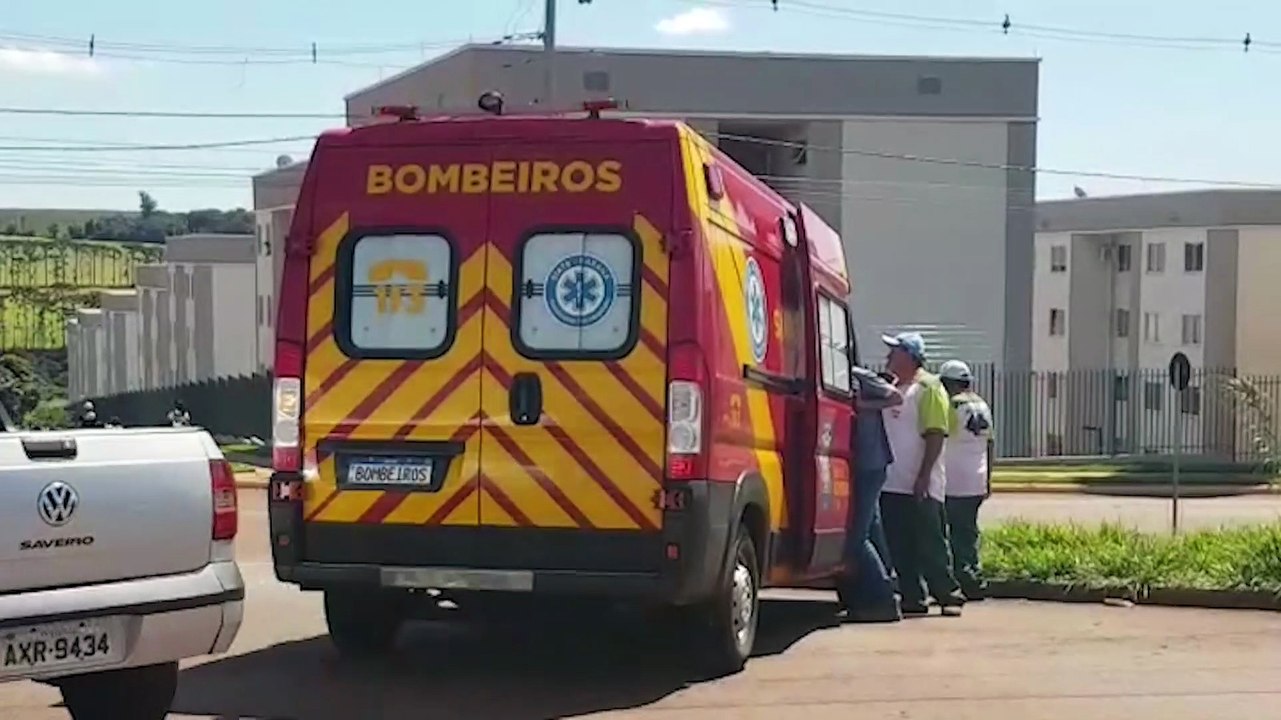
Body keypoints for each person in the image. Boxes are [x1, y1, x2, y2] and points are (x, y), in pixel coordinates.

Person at [879, 331, 966, 617]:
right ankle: (912, 595)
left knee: (931, 543)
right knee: (900, 544)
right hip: (892, 482)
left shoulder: (929, 388)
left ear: (909, 356)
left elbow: (935, 434)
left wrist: (923, 476)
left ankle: (949, 595)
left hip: (921, 484)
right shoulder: (891, 389)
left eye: (895, 351)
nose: (889, 356)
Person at [839, 362, 904, 623]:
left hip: (871, 462)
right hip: (862, 463)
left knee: (856, 537)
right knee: (873, 531)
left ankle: (881, 599)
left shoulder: (859, 375)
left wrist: (861, 406)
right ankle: (890, 586)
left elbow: (895, 397)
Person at [938, 360, 995, 601]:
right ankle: (975, 577)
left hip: (954, 479)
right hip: (977, 478)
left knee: (953, 534)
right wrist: (989, 478)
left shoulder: (951, 405)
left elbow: (937, 435)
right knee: (968, 531)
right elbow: (990, 443)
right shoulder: (982, 405)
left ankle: (965, 579)